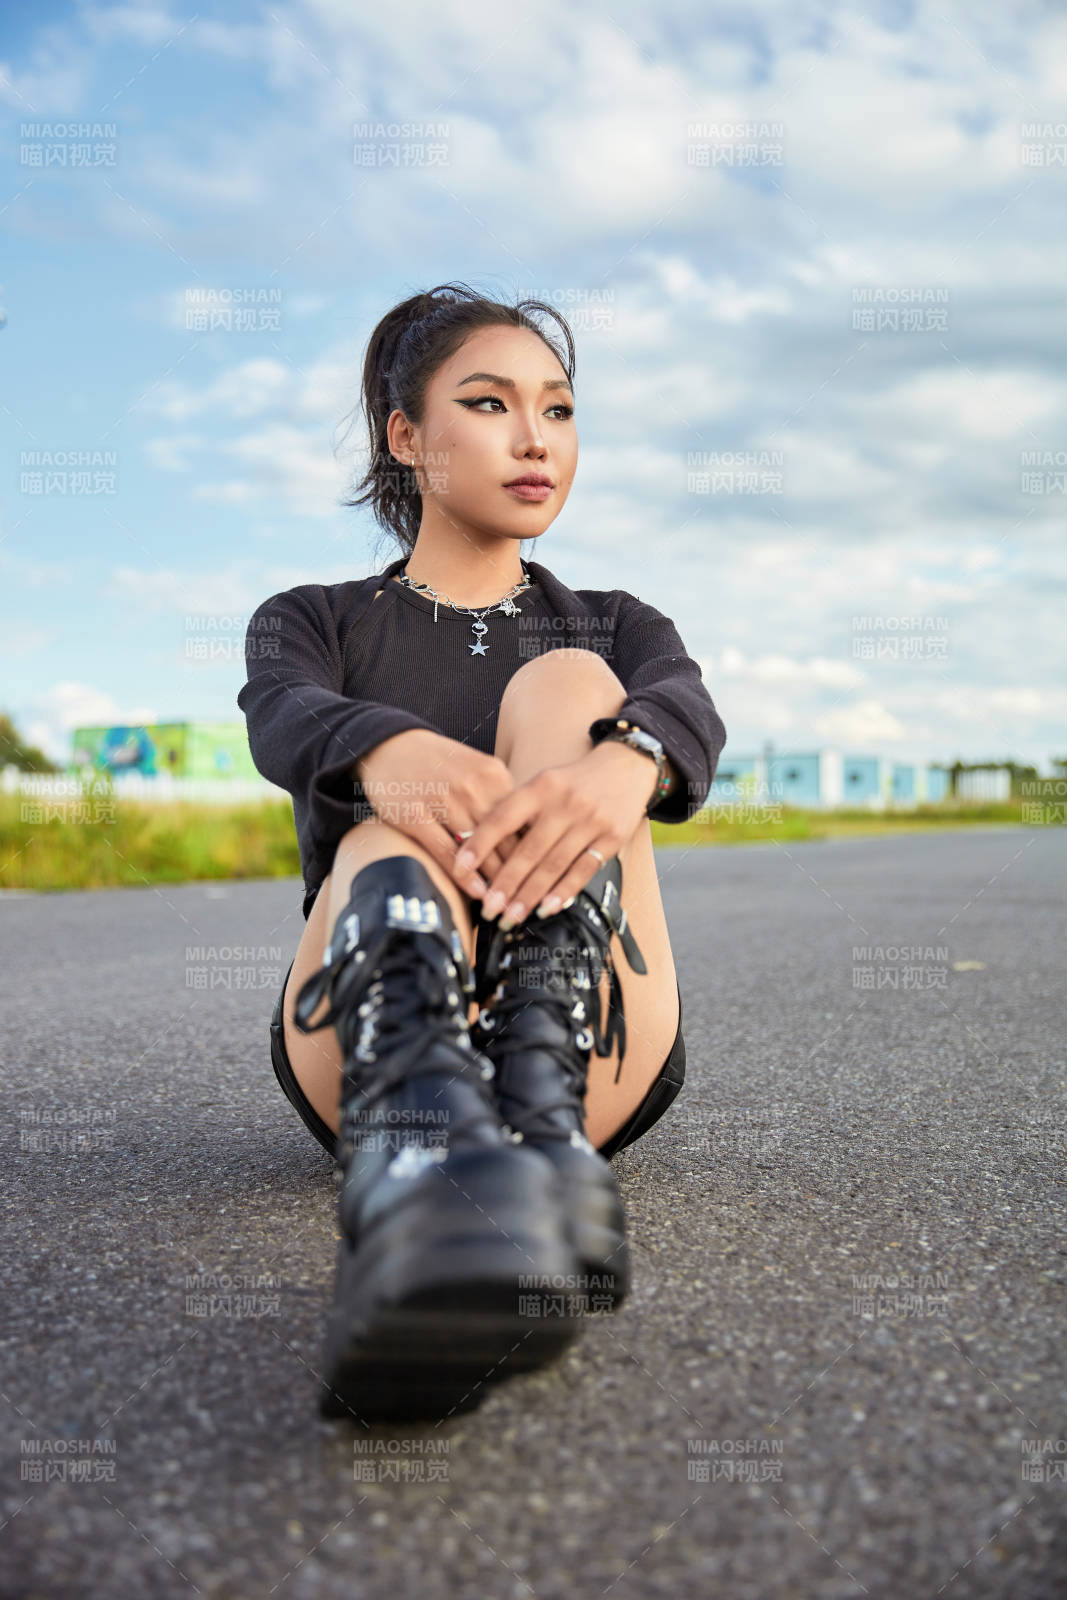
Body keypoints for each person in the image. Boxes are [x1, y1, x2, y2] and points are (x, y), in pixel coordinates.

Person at [237, 281, 727, 1422]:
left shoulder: (614, 622)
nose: (532, 438)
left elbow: (686, 704)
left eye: (557, 411)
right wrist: (391, 753)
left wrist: (627, 760)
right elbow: (281, 713)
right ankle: (424, 1172)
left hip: (584, 1046)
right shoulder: (309, 618)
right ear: (405, 437)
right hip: (370, 1057)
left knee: (571, 683)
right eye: (488, 402)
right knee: (383, 831)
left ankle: (527, 1132)